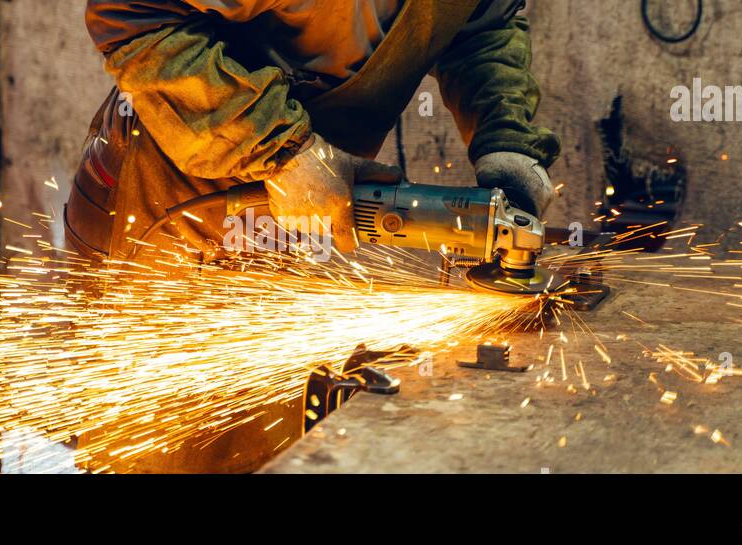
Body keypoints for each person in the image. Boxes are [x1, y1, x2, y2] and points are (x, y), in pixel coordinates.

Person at [66, 0, 561, 472]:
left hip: (286, 202)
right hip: (166, 205)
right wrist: (286, 152)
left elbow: (481, 25)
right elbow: (129, 12)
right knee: (168, 446)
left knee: (260, 433)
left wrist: (508, 141)